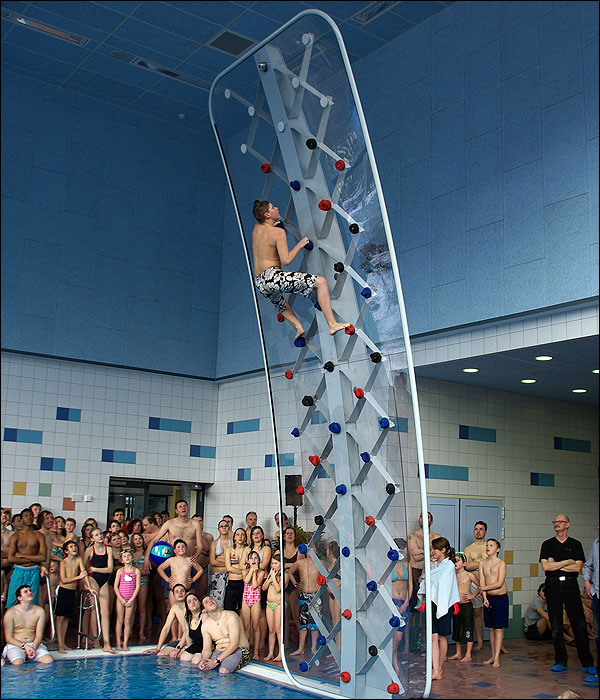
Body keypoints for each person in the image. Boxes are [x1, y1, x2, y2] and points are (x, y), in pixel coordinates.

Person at [251, 200, 350, 340]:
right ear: (267, 214)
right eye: (273, 207)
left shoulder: (256, 229)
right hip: (272, 276)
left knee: (280, 304)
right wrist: (300, 244)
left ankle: (299, 326)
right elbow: (286, 260)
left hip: (260, 282)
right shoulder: (278, 233)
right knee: (321, 282)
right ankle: (332, 324)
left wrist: (273, 223)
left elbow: (265, 237)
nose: (277, 208)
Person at [539, 515, 595, 673]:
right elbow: (546, 568)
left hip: (570, 584)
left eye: (560, 522)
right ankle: (561, 661)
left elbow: (577, 568)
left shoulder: (575, 544)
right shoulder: (548, 544)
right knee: (556, 624)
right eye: (555, 522)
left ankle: (587, 663)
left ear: (568, 524)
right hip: (552, 584)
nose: (557, 524)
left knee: (579, 623)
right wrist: (567, 562)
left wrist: (555, 564)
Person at [416, 536, 460, 681]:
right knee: (433, 636)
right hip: (432, 603)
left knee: (442, 637)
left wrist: (429, 574)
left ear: (443, 550)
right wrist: (428, 569)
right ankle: (434, 669)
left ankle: (439, 668)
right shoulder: (432, 566)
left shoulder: (449, 566)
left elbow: (444, 586)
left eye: (435, 549)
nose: (432, 551)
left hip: (444, 603)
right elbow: (424, 580)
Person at [408, 511, 441, 651]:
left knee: (430, 610)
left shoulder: (437, 537)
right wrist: (430, 551)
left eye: (427, 517)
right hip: (416, 574)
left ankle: (429, 643)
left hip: (432, 574)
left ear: (431, 521)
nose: (423, 519)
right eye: (421, 516)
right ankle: (409, 644)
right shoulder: (413, 536)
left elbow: (441, 554)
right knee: (413, 611)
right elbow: (414, 556)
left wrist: (422, 551)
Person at [143, 500, 203, 575]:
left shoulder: (195, 524)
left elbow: (200, 545)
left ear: (187, 508)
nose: (183, 508)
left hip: (188, 561)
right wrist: (146, 558)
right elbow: (155, 540)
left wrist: (195, 556)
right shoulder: (169, 523)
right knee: (170, 584)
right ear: (176, 511)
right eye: (180, 507)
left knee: (189, 585)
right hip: (172, 561)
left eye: (185, 506)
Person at [55, 540, 94, 654]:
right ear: (66, 551)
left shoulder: (78, 560)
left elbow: (84, 574)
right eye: (71, 547)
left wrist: (89, 587)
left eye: (75, 546)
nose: (74, 548)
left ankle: (63, 643)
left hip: (72, 591)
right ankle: (60, 644)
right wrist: (79, 577)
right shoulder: (63, 562)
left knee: (67, 617)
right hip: (63, 590)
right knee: (60, 617)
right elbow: (64, 579)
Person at [2, 585, 54, 665]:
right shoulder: (10, 613)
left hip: (33, 644)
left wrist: (33, 648)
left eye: (30, 590)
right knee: (18, 663)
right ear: (19, 598)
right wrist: (24, 647)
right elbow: (8, 638)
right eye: (25, 592)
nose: (29, 592)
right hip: (16, 645)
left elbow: (39, 635)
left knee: (48, 660)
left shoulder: (39, 611)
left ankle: (33, 675)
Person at [198, 595, 251, 673]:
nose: (210, 601)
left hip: (239, 650)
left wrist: (217, 661)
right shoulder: (206, 625)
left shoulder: (231, 616)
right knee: (202, 668)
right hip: (218, 652)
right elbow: (207, 649)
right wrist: (203, 661)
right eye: (206, 602)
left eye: (211, 599)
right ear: (204, 609)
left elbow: (234, 644)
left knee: (223, 671)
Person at [6, 508, 47, 607]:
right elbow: (11, 558)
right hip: (19, 570)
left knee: (31, 601)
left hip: (33, 571)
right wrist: (34, 558)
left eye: (31, 515)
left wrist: (22, 555)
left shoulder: (39, 535)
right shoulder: (16, 536)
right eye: (26, 516)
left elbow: (43, 557)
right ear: (21, 519)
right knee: (13, 600)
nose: (29, 518)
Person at [83, 527, 114, 653]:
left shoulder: (109, 550)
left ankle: (106, 643)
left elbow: (110, 569)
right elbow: (84, 569)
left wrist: (94, 568)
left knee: (105, 612)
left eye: (100, 534)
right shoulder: (89, 550)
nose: (100, 536)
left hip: (104, 580)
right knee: (94, 610)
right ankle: (96, 640)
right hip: (93, 580)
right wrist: (87, 585)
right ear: (92, 538)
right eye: (96, 535)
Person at [479, 538, 508, 668]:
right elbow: (482, 581)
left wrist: (483, 589)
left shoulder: (501, 563)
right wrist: (484, 597)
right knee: (491, 627)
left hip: (500, 598)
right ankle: (492, 655)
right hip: (488, 598)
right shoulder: (482, 563)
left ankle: (497, 657)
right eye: (487, 545)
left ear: (497, 549)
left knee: (498, 628)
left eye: (491, 545)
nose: (488, 547)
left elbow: (499, 583)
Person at [288, 546, 321, 657]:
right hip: (303, 595)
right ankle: (301, 648)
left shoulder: (320, 563)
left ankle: (313, 647)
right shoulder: (300, 563)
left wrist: (321, 587)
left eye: (313, 549)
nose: (312, 551)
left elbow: (327, 576)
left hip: (315, 595)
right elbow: (289, 572)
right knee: (303, 623)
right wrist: (295, 583)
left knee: (314, 623)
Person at [448, 552, 478, 663]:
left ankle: (468, 654)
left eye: (458, 560)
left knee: (467, 628)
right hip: (456, 605)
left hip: (466, 606)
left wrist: (472, 596)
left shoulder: (469, 575)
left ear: (464, 563)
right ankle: (458, 652)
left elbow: (480, 586)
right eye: (454, 560)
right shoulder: (452, 575)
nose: (455, 562)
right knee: (457, 628)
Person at [143, 583, 189, 657]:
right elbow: (166, 628)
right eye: (177, 592)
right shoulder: (175, 608)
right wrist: (158, 648)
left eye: (182, 591)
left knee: (177, 655)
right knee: (160, 655)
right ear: (173, 595)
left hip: (190, 640)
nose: (180, 593)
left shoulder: (190, 607)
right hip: (181, 640)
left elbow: (188, 630)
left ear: (186, 593)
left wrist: (178, 648)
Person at [157, 539, 203, 612]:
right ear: (174, 550)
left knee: (187, 612)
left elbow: (200, 570)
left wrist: (194, 579)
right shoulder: (171, 560)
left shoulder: (190, 560)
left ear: (186, 549)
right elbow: (160, 568)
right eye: (178, 547)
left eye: (183, 546)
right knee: (173, 612)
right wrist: (167, 579)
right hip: (173, 591)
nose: (181, 548)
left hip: (186, 590)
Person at [464, 521, 488, 651]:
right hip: (475, 583)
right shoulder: (468, 549)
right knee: (477, 612)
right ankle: (479, 641)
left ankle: (498, 643)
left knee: (493, 612)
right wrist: (483, 562)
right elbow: (467, 566)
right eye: (476, 529)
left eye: (481, 529)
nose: (478, 531)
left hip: (490, 582)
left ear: (485, 532)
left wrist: (476, 562)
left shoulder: (489, 546)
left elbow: (492, 563)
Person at [114, 548, 140, 651]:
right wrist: (120, 599)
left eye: (129, 556)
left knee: (127, 621)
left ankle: (125, 642)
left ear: (133, 558)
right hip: (121, 598)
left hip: (130, 599)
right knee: (119, 620)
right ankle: (118, 642)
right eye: (125, 556)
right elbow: (116, 586)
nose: (127, 558)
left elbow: (137, 586)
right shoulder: (120, 571)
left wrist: (132, 599)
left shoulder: (136, 571)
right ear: (122, 560)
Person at [241, 550, 265, 658]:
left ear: (259, 560)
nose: (254, 560)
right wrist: (251, 570)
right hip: (245, 599)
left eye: (256, 558)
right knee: (246, 626)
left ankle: (255, 652)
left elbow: (255, 585)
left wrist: (255, 572)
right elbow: (246, 581)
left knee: (255, 626)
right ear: (248, 561)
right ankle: (245, 651)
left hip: (256, 600)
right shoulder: (244, 571)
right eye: (251, 558)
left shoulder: (261, 572)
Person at [582, 523, 599, 682]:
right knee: (598, 635)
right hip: (597, 595)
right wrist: (587, 582)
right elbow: (588, 565)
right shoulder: (596, 543)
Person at [263, 553, 285, 662]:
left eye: (276, 563)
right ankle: (271, 652)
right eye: (272, 563)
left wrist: (273, 578)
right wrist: (269, 579)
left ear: (281, 564)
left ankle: (281, 653)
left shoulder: (284, 575)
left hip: (278, 603)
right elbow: (263, 588)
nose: (273, 565)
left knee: (278, 629)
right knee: (271, 629)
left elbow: (278, 589)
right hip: (269, 603)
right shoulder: (270, 575)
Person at [282, 526, 300, 646]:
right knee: (285, 615)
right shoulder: (280, 550)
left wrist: (285, 565)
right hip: (283, 584)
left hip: (295, 584)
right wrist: (291, 565)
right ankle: (285, 643)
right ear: (283, 537)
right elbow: (278, 565)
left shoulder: (299, 550)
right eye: (287, 533)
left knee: (295, 612)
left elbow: (299, 564)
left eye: (291, 533)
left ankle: (302, 643)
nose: (289, 535)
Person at [208, 520, 232, 608]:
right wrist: (228, 563)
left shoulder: (232, 543)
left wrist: (223, 562)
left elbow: (235, 560)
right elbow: (213, 562)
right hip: (217, 575)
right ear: (218, 529)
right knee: (215, 602)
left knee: (228, 600)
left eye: (226, 525)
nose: (224, 527)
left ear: (229, 528)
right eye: (222, 526)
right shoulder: (214, 544)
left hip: (229, 575)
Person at [131, 532, 149, 643]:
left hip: (143, 581)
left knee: (142, 608)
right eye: (135, 539)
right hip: (131, 583)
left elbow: (147, 571)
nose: (138, 541)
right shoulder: (130, 553)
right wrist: (139, 570)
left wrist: (135, 569)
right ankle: (129, 631)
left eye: (140, 538)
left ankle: (141, 632)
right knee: (132, 608)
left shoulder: (146, 553)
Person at [224, 528, 247, 612]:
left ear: (245, 537)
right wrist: (243, 571)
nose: (240, 537)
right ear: (234, 538)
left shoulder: (248, 550)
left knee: (243, 610)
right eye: (238, 534)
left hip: (244, 583)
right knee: (229, 608)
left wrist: (236, 569)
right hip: (232, 582)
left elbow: (250, 567)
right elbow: (228, 568)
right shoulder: (229, 550)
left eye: (242, 534)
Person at [191, 514, 213, 600]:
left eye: (200, 521)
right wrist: (201, 550)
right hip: (191, 569)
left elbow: (208, 549)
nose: (198, 523)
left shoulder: (208, 536)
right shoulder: (189, 536)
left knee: (201, 595)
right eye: (195, 521)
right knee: (191, 595)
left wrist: (198, 533)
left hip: (203, 568)